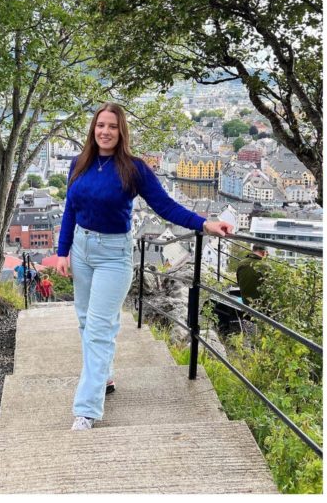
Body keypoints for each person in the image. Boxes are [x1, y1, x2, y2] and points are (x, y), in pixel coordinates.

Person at [56, 102, 232, 431]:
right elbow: (70, 208)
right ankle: (104, 378)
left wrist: (204, 223)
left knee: (97, 328)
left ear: (121, 132)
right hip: (81, 248)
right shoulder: (78, 163)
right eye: (100, 125)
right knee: (86, 322)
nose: (105, 132)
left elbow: (164, 205)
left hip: (113, 254)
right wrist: (62, 250)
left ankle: (87, 409)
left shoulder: (133, 169)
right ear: (93, 129)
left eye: (112, 126)